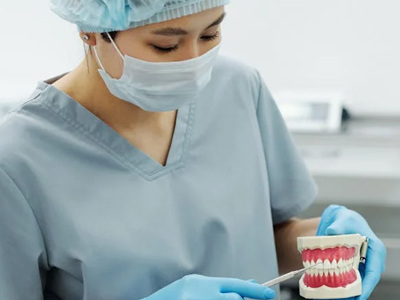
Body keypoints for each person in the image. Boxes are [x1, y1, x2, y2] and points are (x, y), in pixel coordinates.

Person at [0, 1, 386, 300]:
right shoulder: (18, 160)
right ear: (91, 30)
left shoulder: (238, 88)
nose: (193, 63)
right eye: (165, 44)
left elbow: (264, 236)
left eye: (210, 35)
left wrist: (327, 243)